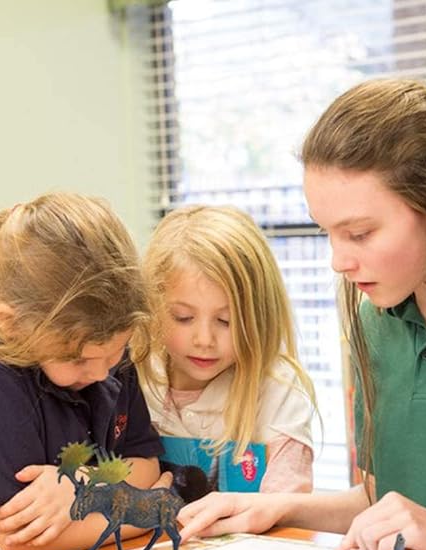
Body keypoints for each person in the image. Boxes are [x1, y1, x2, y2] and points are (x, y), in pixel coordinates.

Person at [179, 79, 426, 550]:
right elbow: (384, 498)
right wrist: (276, 507)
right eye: (327, 233)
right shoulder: (376, 323)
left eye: (359, 233)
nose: (339, 262)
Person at [0, 193, 166, 550]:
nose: (102, 372)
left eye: (116, 351)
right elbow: (17, 540)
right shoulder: (5, 383)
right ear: (11, 325)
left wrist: (82, 483)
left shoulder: (107, 346)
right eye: (78, 359)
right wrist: (151, 511)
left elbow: (146, 465)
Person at [134, 205, 316, 503]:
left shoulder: (276, 389)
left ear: (259, 317)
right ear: (153, 308)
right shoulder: (132, 378)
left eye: (226, 321)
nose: (205, 340)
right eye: (183, 317)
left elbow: (286, 507)